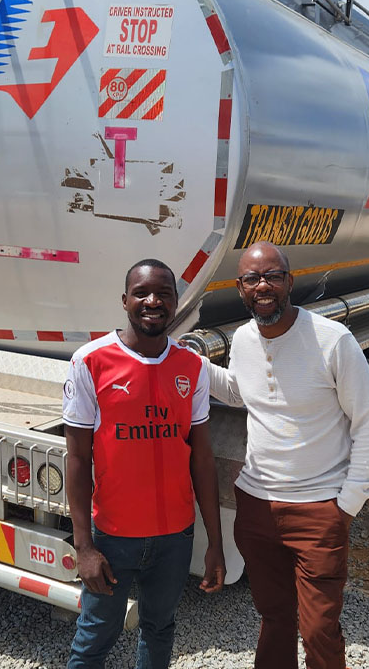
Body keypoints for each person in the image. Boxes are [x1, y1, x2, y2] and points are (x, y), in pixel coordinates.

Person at [207, 241, 369, 669]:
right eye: (252, 278)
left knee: (319, 628)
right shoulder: (244, 338)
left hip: (319, 508)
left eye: (272, 275)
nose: (262, 285)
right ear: (240, 288)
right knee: (274, 617)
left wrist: (348, 503)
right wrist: (186, 362)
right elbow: (240, 391)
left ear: (290, 281)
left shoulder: (332, 340)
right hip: (257, 505)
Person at [63, 258, 226, 669]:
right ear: (125, 300)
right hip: (113, 537)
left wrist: (215, 545)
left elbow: (202, 459)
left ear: (176, 303)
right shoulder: (90, 362)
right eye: (142, 293)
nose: (153, 301)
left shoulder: (192, 367)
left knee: (160, 628)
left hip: (175, 537)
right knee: (96, 635)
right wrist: (84, 546)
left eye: (164, 294)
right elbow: (78, 459)